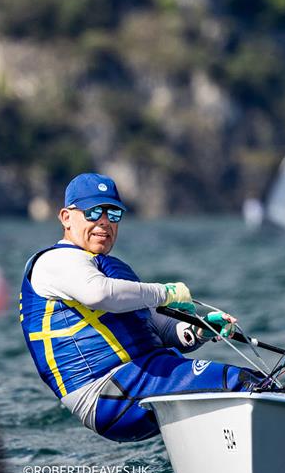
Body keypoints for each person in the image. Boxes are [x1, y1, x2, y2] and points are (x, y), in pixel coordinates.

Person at [20, 172, 261, 442]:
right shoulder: (55, 262)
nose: (104, 222)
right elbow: (100, 294)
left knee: (251, 382)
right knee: (241, 383)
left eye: (113, 214)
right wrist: (165, 292)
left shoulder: (111, 270)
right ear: (66, 217)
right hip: (106, 392)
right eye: (93, 212)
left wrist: (200, 329)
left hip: (143, 374)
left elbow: (162, 329)